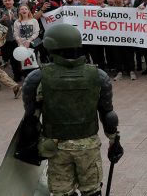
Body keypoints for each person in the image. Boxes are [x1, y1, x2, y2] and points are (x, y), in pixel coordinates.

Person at [20, 23, 124, 196]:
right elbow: (108, 114)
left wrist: (31, 148)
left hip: (55, 146)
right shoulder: (98, 76)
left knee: (62, 192)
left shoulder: (37, 78)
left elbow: (31, 118)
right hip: (88, 146)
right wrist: (114, 141)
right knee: (92, 190)